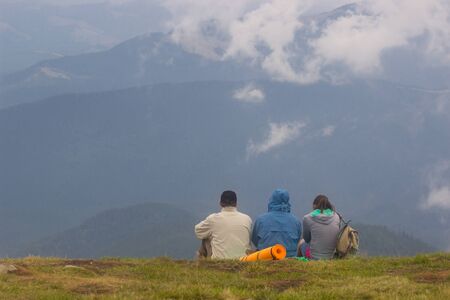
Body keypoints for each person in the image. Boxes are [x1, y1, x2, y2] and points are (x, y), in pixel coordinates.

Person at [195, 190, 252, 259]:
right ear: (236, 203)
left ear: (221, 203)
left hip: (220, 259)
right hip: (244, 260)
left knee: (205, 235)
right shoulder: (247, 219)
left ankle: (204, 263)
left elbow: (198, 231)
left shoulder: (213, 219)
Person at [251, 189, 302, 257]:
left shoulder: (261, 220)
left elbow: (254, 240)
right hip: (289, 258)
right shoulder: (296, 221)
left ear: (272, 201)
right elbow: (297, 240)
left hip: (266, 257)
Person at [299, 194, 340, 260]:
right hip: (332, 257)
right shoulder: (336, 217)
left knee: (301, 242)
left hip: (314, 257)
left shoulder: (307, 218)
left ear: (314, 205)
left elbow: (306, 239)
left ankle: (301, 264)